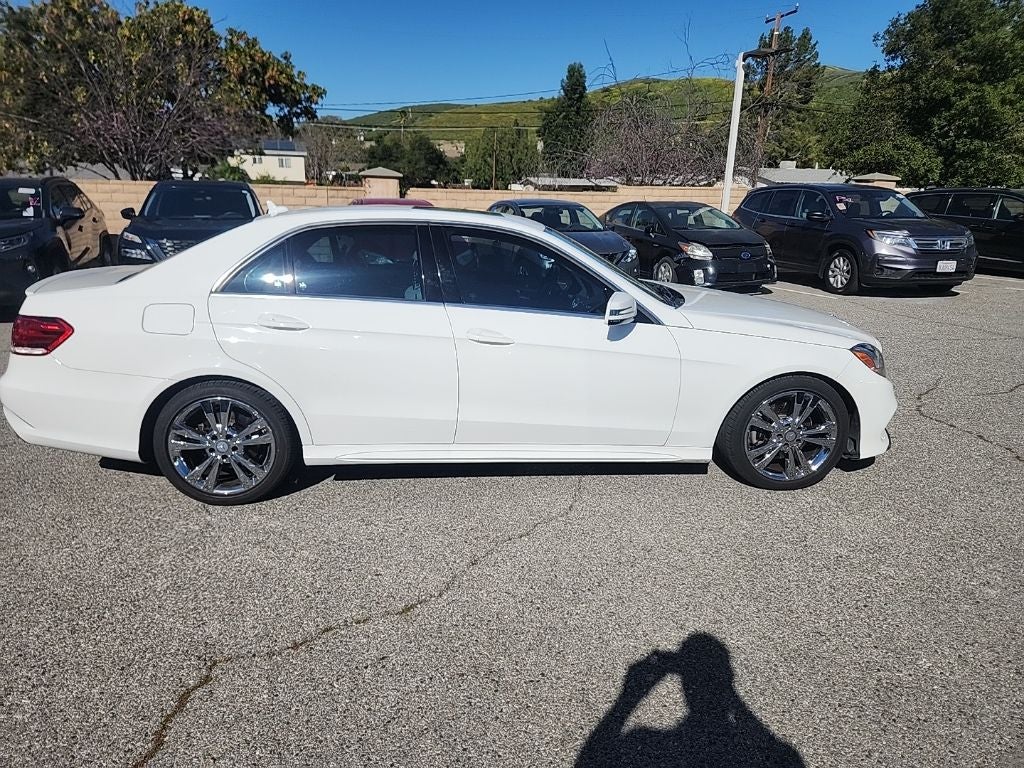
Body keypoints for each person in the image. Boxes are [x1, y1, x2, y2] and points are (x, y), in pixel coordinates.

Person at [576, 632, 805, 768]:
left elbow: (590, 763)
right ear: (728, 679)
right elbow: (784, 758)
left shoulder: (648, 748)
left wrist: (627, 700)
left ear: (685, 685)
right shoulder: (756, 757)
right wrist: (728, 694)